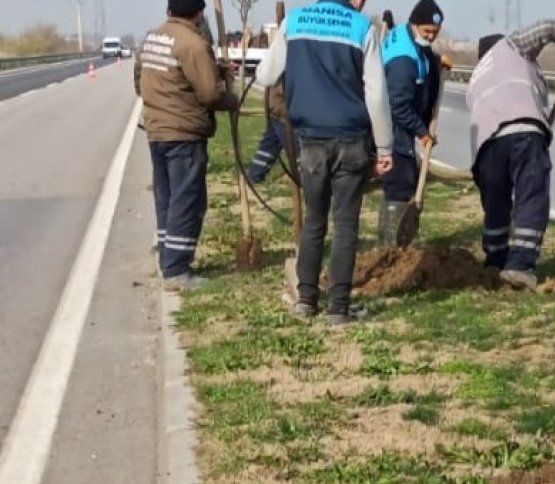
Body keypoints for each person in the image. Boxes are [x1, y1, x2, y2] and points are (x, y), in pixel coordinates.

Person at [256, 0, 394, 326]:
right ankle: (338, 308)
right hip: (352, 140)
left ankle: (306, 300)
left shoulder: (295, 22)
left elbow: (265, 75)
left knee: (315, 219)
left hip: (311, 141)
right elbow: (376, 93)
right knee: (346, 225)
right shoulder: (363, 29)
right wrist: (385, 147)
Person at [466, 19, 555, 290]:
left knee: (495, 203)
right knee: (531, 196)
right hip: (522, 131)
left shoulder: (477, 75)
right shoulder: (509, 47)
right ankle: (520, 265)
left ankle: (496, 260)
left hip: (485, 145)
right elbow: (545, 28)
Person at [135, 0, 238, 291]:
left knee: (167, 198)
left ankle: (167, 257)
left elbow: (140, 79)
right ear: (199, 14)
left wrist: (213, 68)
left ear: (169, 11)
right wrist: (231, 100)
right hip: (184, 133)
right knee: (187, 200)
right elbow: (209, 95)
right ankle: (177, 269)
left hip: (157, 130)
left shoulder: (153, 38)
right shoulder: (194, 44)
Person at [378, 0, 445, 246]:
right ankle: (392, 247)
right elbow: (399, 107)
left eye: (435, 34)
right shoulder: (403, 60)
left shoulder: (410, 38)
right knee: (401, 183)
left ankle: (397, 243)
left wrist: (436, 64)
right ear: (415, 24)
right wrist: (422, 132)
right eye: (427, 32)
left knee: (406, 180)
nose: (430, 37)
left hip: (399, 126)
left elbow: (424, 55)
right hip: (393, 130)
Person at [246, 82, 289, 184]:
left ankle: (255, 173)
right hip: (282, 108)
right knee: (296, 149)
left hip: (276, 105)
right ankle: (305, 179)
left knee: (269, 144)